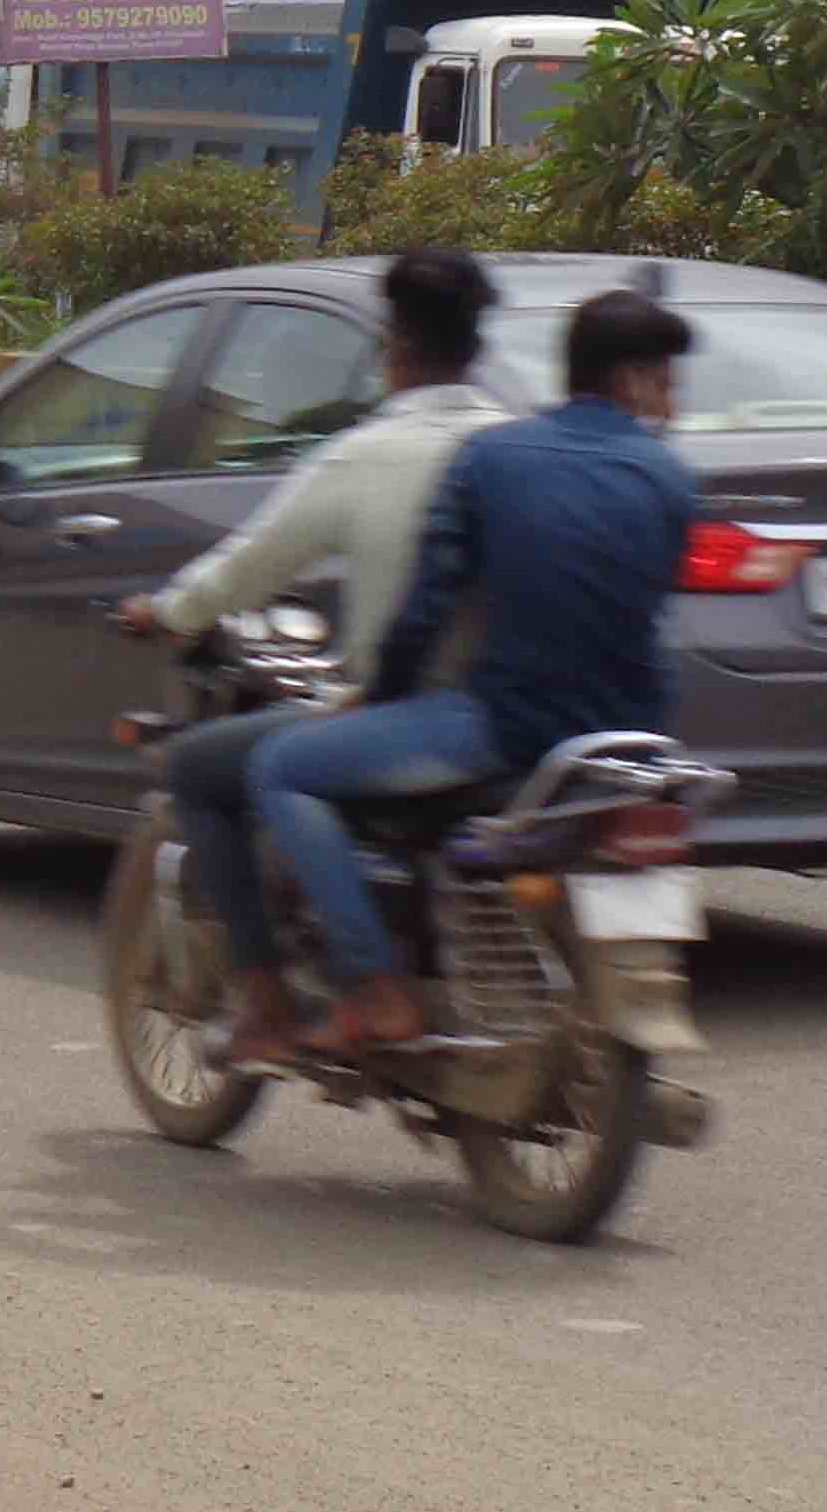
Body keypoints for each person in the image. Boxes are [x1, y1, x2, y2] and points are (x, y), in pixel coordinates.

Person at [245, 285, 703, 1058]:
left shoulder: (492, 457)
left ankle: (374, 983)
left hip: (509, 728)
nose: (671, 396)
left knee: (280, 766)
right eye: (664, 377)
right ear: (629, 381)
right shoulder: (669, 477)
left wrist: (374, 702)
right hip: (633, 741)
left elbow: (425, 609)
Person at [113, 249, 511, 1079]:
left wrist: (166, 612)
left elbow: (249, 563)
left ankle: (277, 1001)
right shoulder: (516, 443)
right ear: (476, 349)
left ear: (393, 345)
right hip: (524, 713)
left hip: (416, 718)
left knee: (206, 765)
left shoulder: (367, 452)